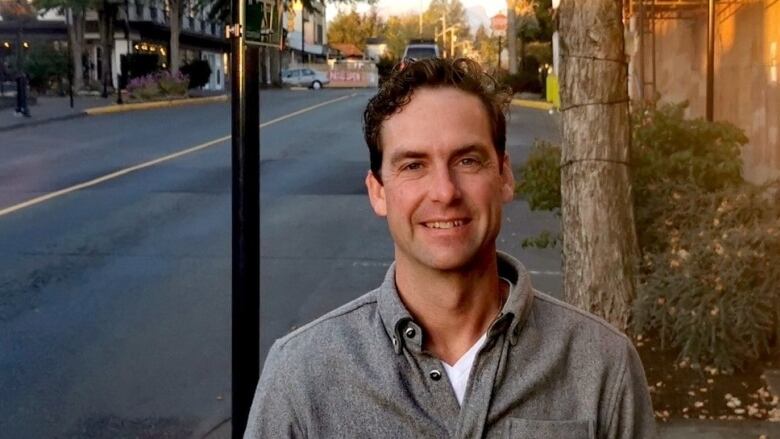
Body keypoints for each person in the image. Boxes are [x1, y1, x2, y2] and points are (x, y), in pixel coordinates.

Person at [244, 58, 657, 438]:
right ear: (378, 193)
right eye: (413, 165)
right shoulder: (301, 377)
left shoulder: (601, 364)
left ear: (505, 176)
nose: (444, 192)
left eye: (468, 161)